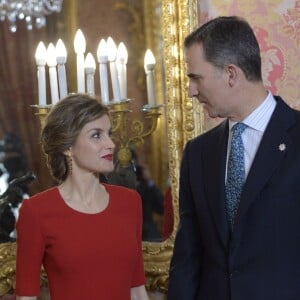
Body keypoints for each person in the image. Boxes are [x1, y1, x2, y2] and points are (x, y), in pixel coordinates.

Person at [167, 16, 300, 300]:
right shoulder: (198, 154)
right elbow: (188, 257)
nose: (191, 90)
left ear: (230, 74)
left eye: (195, 77)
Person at [15, 94, 149, 300]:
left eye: (109, 133)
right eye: (97, 135)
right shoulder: (36, 211)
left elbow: (137, 291)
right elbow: (26, 297)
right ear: (68, 147)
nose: (111, 144)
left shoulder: (130, 202)